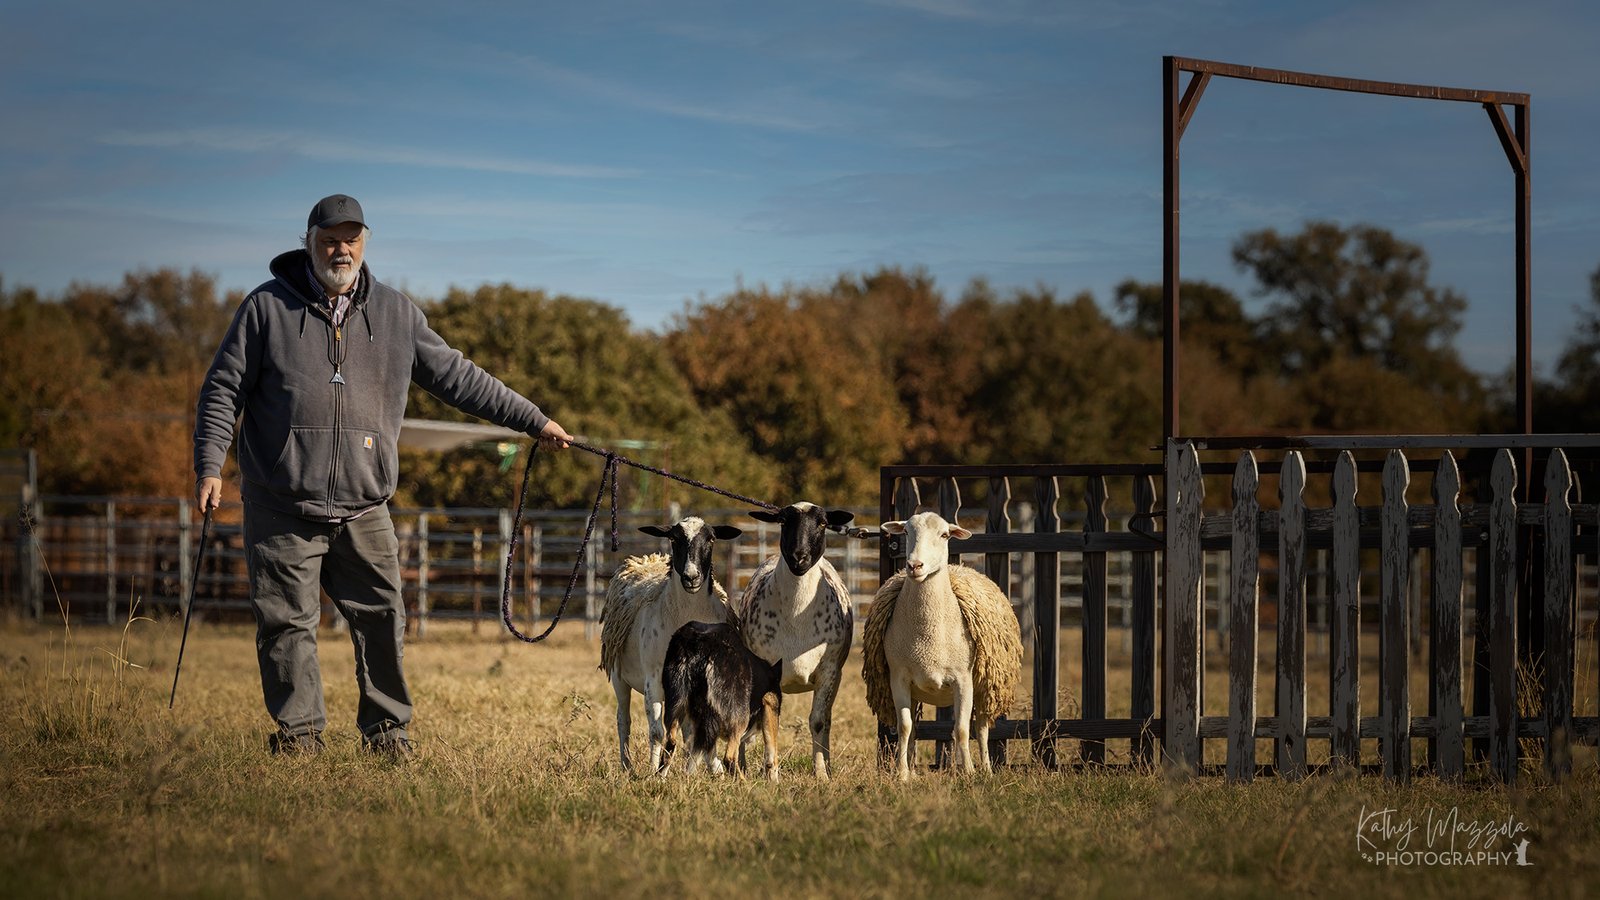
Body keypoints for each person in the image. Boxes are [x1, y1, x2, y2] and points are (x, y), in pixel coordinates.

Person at [193, 194, 572, 759]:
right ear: (308, 242)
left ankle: (388, 732)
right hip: (280, 503)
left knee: (384, 618)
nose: (340, 250)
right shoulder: (265, 308)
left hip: (364, 506)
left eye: (351, 239)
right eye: (329, 240)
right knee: (286, 624)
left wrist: (533, 420)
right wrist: (209, 465)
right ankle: (299, 738)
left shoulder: (397, 314)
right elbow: (222, 389)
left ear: (365, 243)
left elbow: (461, 378)